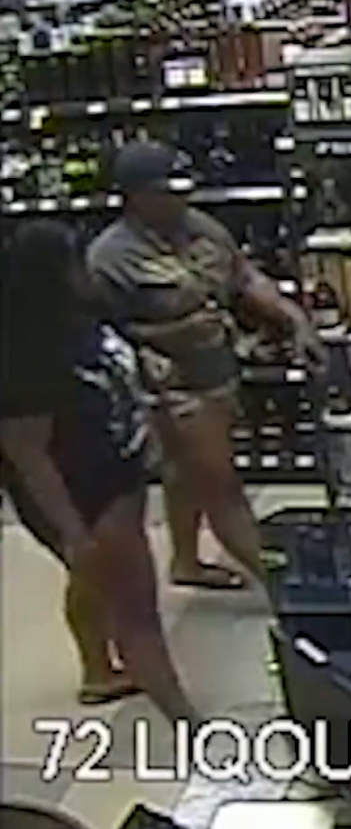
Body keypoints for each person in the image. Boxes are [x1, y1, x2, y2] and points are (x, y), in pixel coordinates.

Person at [86, 141, 327, 593]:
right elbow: (100, 336)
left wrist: (293, 319)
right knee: (220, 484)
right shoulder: (108, 259)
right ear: (134, 196)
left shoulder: (201, 228)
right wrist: (165, 336)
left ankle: (185, 561)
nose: (180, 200)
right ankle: (286, 590)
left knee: (185, 474)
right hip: (170, 391)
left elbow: (245, 277)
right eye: (166, 192)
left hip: (216, 374)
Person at [0, 220, 199, 722]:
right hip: (85, 491)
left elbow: (115, 356)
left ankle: (98, 673)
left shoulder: (83, 311)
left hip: (119, 469)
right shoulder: (22, 350)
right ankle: (190, 723)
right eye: (75, 257)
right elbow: (28, 454)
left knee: (93, 583)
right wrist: (72, 532)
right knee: (135, 611)